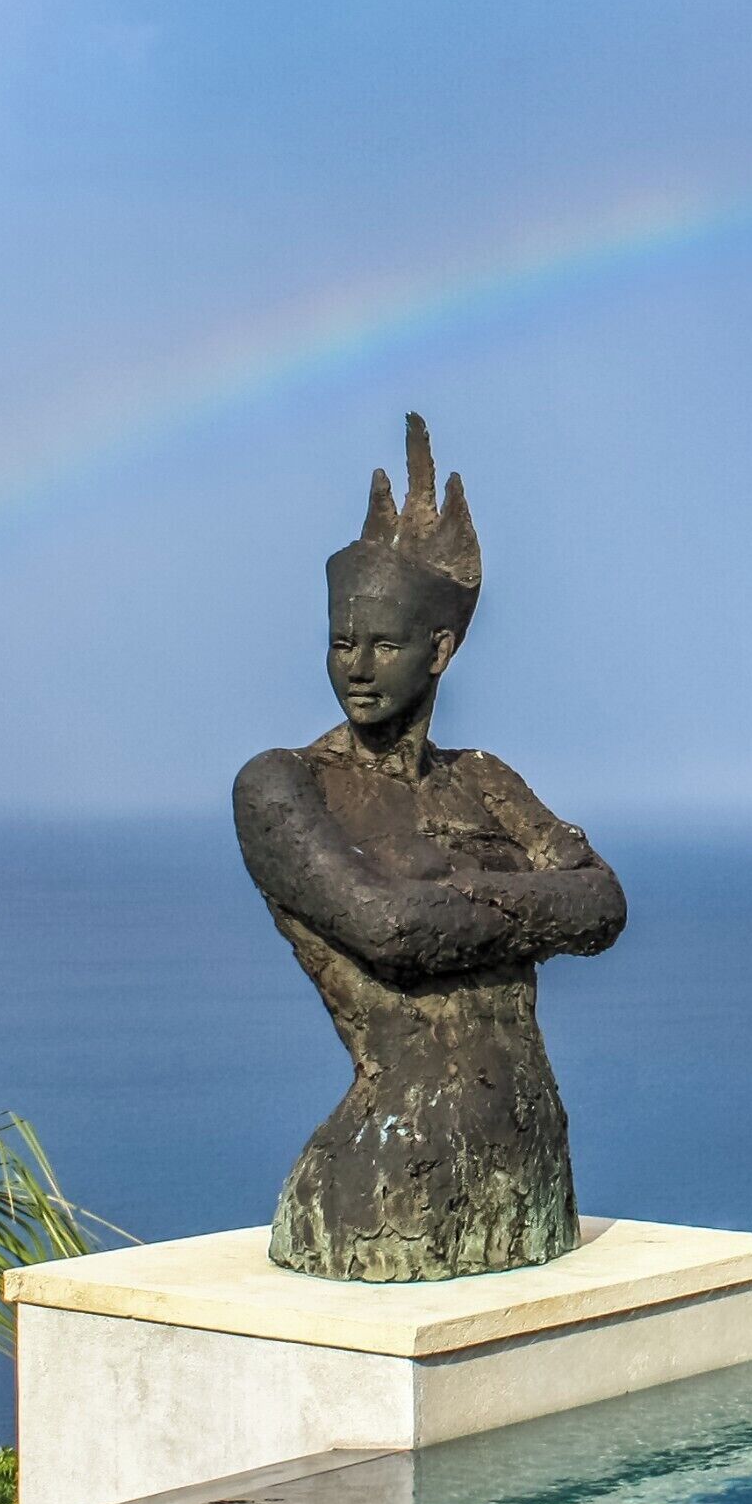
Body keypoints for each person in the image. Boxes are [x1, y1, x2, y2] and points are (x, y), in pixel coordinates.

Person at [234, 415, 626, 1281]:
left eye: (384, 644)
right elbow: (391, 931)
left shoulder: (482, 777)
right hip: (384, 1184)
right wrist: (523, 893)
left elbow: (603, 907)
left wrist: (452, 893)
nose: (357, 668)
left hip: (531, 1161)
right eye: (342, 643)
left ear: (440, 650)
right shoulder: (283, 785)